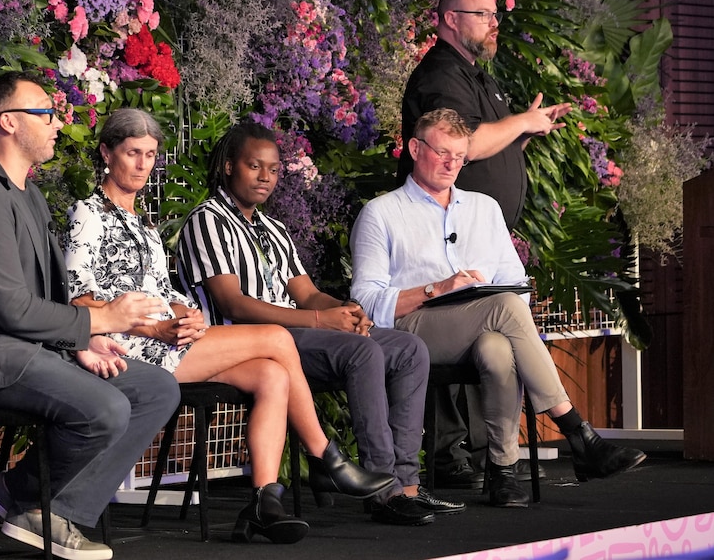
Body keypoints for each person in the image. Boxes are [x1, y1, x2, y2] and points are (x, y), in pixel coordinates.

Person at [63, 108, 395, 544]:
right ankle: (325, 458)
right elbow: (78, 297)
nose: (143, 164)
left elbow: (164, 290)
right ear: (107, 153)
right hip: (131, 346)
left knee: (272, 373)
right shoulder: (88, 213)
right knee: (276, 339)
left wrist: (187, 312)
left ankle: (264, 500)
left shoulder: (142, 221)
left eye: (149, 154)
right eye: (132, 153)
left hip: (173, 339)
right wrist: (152, 326)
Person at [0, 71, 181, 560]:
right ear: (8, 122)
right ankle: (29, 499)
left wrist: (80, 341)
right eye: (44, 113)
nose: (58, 123)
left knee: (154, 388)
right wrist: (100, 322)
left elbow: (44, 297)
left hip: (25, 346)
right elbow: (11, 310)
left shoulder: (28, 193)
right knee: (105, 408)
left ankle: (47, 509)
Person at [350, 108, 647, 508]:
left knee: (497, 346)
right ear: (415, 148)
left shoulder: (483, 208)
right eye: (441, 153)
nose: (451, 164)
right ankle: (576, 431)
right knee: (504, 308)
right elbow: (365, 301)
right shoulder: (381, 213)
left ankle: (502, 472)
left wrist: (485, 300)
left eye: (460, 156)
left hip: (482, 321)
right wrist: (437, 289)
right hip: (410, 328)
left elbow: (517, 284)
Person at [177, 122, 465, 527]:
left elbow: (309, 294)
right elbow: (234, 304)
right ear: (228, 167)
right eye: (254, 166)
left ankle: (406, 484)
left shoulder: (272, 229)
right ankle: (383, 493)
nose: (265, 177)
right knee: (362, 352)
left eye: (274, 169)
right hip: (247, 344)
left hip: (299, 334)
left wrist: (346, 311)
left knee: (406, 348)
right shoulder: (207, 220)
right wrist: (319, 320)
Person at [396, 0, 573, 487]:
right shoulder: (440, 74)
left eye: (496, 15)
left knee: (492, 339)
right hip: (439, 227)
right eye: (483, 14)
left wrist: (527, 125)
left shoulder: (476, 76)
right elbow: (465, 146)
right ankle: (467, 451)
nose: (494, 23)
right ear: (450, 19)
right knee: (471, 322)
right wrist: (521, 121)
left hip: (476, 227)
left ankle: (488, 456)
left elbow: (487, 139)